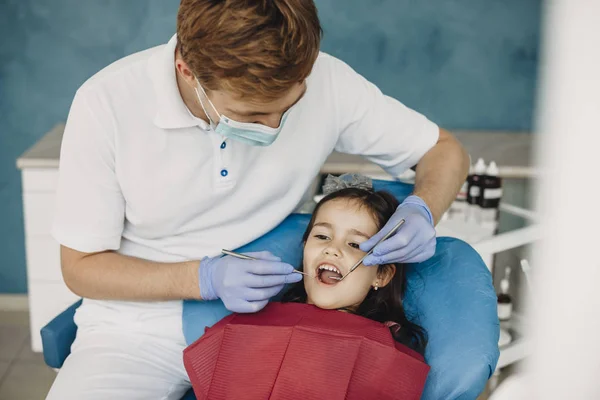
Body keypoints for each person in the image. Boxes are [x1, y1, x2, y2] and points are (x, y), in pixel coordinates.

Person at [47, 0, 469, 398]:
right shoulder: (106, 103)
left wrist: (423, 209)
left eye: (289, 106)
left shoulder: (327, 81)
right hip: (134, 332)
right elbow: (81, 268)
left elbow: (443, 151)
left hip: (272, 321)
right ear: (188, 69)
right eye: (252, 116)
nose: (274, 127)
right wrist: (204, 278)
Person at [183, 179, 429, 399]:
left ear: (382, 274)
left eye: (355, 243)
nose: (332, 249)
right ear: (304, 251)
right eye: (322, 236)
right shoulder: (243, 325)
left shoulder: (387, 355)